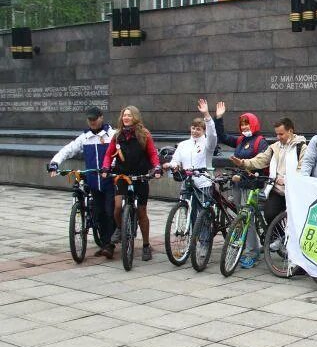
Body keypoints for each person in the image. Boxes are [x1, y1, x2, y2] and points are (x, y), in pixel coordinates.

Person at [231, 118, 306, 265]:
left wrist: (289, 179)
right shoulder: (275, 147)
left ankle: (298, 256)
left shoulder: (301, 147)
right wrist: (244, 163)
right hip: (276, 189)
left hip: (294, 191)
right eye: (277, 134)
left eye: (281, 134)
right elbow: (261, 159)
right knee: (270, 213)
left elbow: (304, 167)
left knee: (296, 223)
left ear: (290, 131)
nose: (279, 137)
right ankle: (279, 237)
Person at [48, 106, 117, 258]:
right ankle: (106, 244)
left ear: (101, 117)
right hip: (93, 181)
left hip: (110, 181)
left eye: (95, 119)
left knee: (109, 211)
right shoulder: (84, 138)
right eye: (89, 119)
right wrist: (55, 163)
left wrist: (111, 167)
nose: (92, 122)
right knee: (98, 213)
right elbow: (68, 150)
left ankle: (109, 243)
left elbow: (119, 153)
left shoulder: (113, 135)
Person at [101, 105, 162, 261]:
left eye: (129, 115)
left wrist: (156, 168)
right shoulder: (118, 135)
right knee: (117, 207)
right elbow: (109, 155)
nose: (125, 118)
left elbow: (153, 154)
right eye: (124, 115)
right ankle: (121, 229)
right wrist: (106, 167)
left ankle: (146, 245)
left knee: (142, 212)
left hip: (140, 176)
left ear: (135, 117)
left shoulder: (144, 134)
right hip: (122, 175)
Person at [214, 102, 268, 266]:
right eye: (242, 125)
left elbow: (260, 166)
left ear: (254, 124)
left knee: (247, 219)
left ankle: (252, 252)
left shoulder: (260, 142)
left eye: (247, 124)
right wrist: (219, 118)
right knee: (241, 217)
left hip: (251, 185)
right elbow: (222, 137)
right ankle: (248, 246)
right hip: (237, 184)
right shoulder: (240, 141)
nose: (244, 127)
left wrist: (243, 178)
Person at [163, 99, 218, 231]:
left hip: (203, 182)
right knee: (188, 212)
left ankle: (204, 244)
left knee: (203, 216)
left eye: (198, 129)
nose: (194, 131)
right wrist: (171, 164)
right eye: (193, 128)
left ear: (203, 131)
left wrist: (207, 116)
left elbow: (213, 135)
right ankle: (190, 239)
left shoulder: (207, 144)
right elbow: (176, 160)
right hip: (187, 182)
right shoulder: (183, 144)